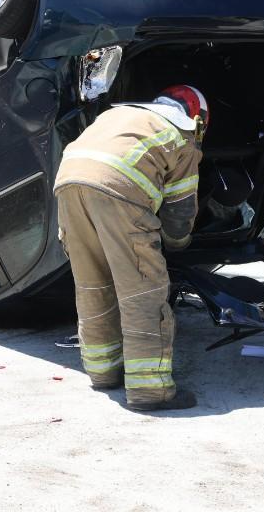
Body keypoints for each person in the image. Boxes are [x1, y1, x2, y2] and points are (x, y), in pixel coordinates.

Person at [53, 86, 207, 412]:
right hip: (118, 191)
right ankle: (150, 391)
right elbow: (180, 212)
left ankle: (103, 371)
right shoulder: (180, 136)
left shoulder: (119, 116)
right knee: (142, 291)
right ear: (197, 118)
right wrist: (178, 244)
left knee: (93, 283)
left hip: (68, 183)